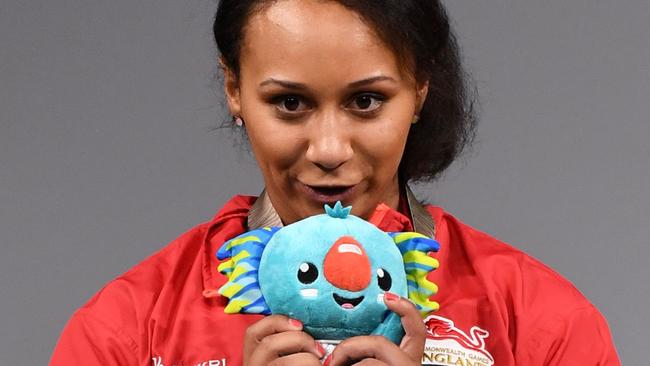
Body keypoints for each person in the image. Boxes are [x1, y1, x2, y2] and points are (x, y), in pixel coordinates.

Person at [50, 0, 621, 365]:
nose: (328, 150)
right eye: (290, 103)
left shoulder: (538, 320)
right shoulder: (127, 331)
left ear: (419, 91)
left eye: (366, 101)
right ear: (234, 91)